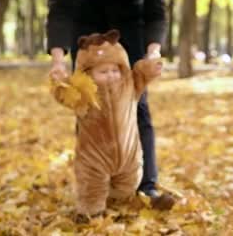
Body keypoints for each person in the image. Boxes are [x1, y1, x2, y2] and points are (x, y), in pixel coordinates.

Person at [46, 0, 172, 205]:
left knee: (137, 101)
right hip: (85, 19)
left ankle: (146, 184)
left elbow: (156, 7)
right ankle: (93, 185)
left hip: (130, 22)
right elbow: (61, 1)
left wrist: (152, 51)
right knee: (88, 102)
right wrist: (58, 59)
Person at [50, 30, 170, 221]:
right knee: (92, 187)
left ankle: (117, 205)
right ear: (88, 73)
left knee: (128, 185)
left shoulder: (129, 85)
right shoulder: (84, 93)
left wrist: (152, 65)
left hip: (128, 156)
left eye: (115, 70)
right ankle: (90, 214)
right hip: (94, 157)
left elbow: (141, 72)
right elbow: (64, 94)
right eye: (103, 72)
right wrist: (59, 82)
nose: (111, 76)